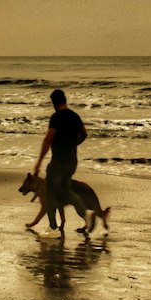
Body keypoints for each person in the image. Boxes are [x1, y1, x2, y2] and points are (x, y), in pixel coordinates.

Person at [33, 88, 94, 239]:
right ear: (65, 100)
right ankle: (87, 214)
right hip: (72, 162)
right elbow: (84, 134)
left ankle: (53, 228)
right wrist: (74, 144)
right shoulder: (75, 116)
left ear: (54, 103)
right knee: (67, 191)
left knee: (50, 193)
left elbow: (48, 139)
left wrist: (39, 161)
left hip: (58, 163)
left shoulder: (56, 117)